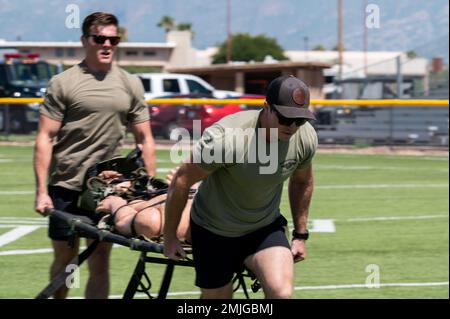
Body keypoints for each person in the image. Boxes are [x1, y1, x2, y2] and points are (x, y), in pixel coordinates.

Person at [33, 12, 157, 299]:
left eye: (113, 40)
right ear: (85, 40)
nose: (107, 45)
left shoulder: (130, 84)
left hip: (108, 191)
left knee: (100, 261)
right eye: (100, 38)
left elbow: (145, 139)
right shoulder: (63, 82)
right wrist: (42, 191)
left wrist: (148, 191)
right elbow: (45, 137)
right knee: (66, 262)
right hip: (66, 186)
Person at [163, 75, 318, 299]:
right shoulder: (227, 139)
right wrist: (169, 237)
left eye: (300, 120)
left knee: (281, 294)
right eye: (285, 118)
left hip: (263, 228)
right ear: (266, 108)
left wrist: (300, 235)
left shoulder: (304, 137)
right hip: (213, 230)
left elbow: (303, 181)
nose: (293, 126)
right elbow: (181, 180)